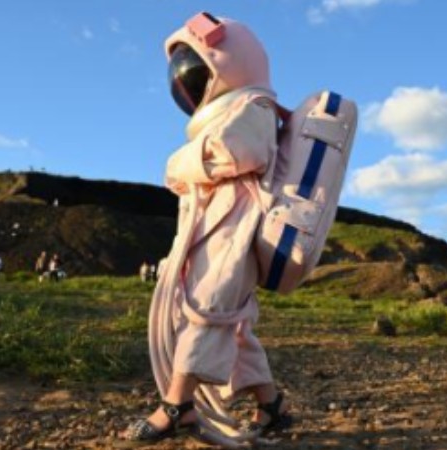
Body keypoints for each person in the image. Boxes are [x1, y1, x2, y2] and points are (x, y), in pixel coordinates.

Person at [121, 12, 290, 447]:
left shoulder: (255, 106)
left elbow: (234, 151)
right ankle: (271, 404)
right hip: (220, 231)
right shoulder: (237, 112)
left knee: (208, 309)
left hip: (234, 233)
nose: (187, 87)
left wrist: (177, 164)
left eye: (196, 75)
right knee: (233, 326)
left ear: (230, 63)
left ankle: (177, 405)